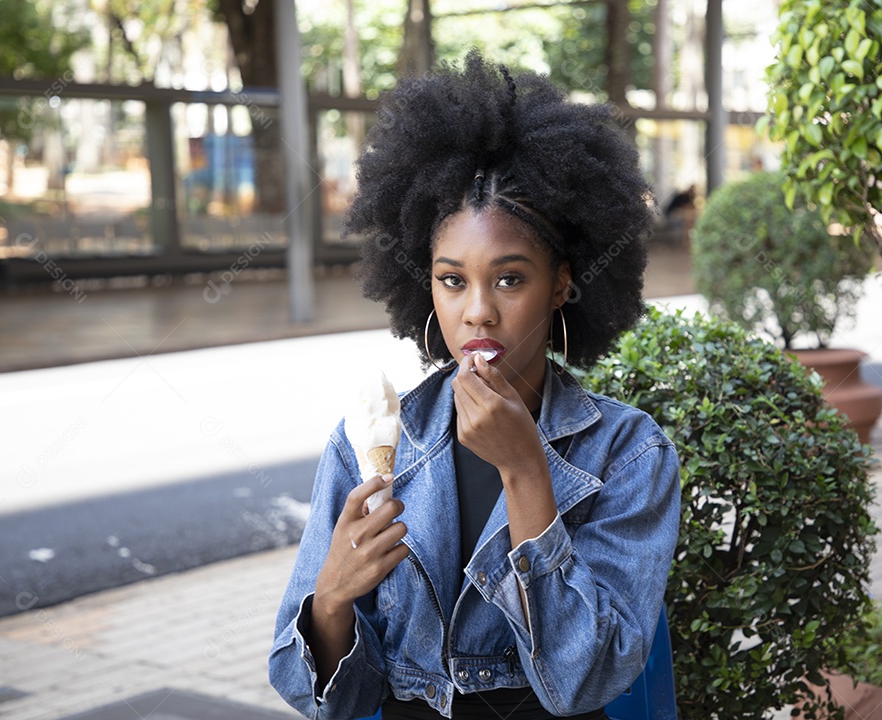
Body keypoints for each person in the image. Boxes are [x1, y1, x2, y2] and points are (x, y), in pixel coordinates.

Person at [269, 50, 682, 720]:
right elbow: (319, 698)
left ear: (564, 283)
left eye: (510, 278)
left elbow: (585, 678)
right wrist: (330, 602)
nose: (478, 310)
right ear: (424, 284)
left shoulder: (628, 453)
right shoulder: (373, 443)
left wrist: (525, 471)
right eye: (453, 279)